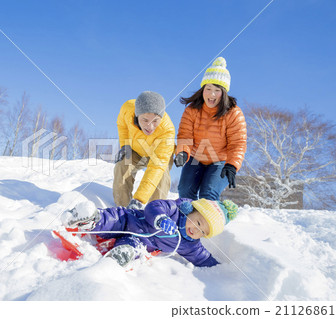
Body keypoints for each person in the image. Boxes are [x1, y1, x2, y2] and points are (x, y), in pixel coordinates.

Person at [61, 198, 239, 268]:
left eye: (202, 232)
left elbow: (202, 258)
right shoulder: (175, 210)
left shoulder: (189, 244)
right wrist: (161, 218)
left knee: (134, 246)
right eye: (198, 222)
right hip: (130, 220)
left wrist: (221, 268)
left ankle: (123, 255)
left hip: (141, 241)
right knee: (114, 218)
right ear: (191, 210)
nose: (196, 230)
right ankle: (91, 219)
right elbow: (155, 206)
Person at [174, 57, 247, 201]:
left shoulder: (233, 113)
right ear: (202, 90)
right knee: (185, 191)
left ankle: (208, 222)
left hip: (219, 161)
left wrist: (232, 165)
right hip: (195, 157)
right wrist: (182, 152)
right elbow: (185, 134)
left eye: (217, 90)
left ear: (224, 92)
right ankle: (188, 223)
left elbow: (238, 142)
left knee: (208, 193)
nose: (211, 94)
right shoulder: (192, 110)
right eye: (208, 89)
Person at [113, 91, 175, 210]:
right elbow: (122, 125)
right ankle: (123, 210)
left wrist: (139, 199)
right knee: (122, 165)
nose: (150, 127)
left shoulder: (167, 130)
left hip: (157, 155)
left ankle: (155, 211)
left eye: (155, 121)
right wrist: (125, 145)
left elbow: (156, 167)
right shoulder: (127, 108)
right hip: (136, 150)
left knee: (161, 175)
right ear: (137, 115)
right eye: (145, 120)